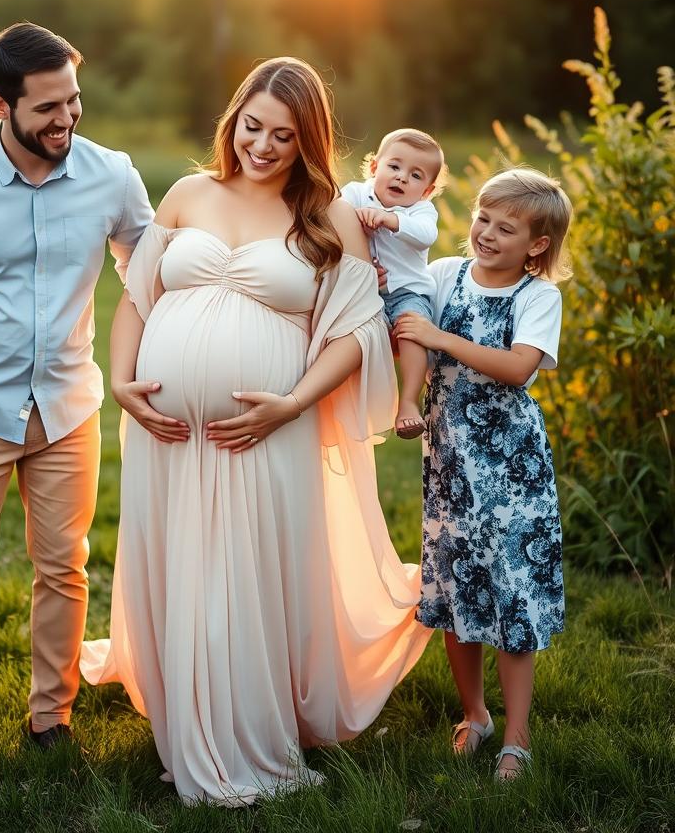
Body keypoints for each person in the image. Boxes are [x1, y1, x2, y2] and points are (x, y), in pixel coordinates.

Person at [80, 57, 432, 806]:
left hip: (268, 430)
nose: (263, 146)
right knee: (183, 568)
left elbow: (354, 334)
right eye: (252, 126)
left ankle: (248, 735)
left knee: (250, 576)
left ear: (308, 139)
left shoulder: (330, 215)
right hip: (168, 433)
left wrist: (293, 402)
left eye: (283, 134)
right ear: (232, 118)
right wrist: (121, 383)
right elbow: (136, 302)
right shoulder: (186, 192)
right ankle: (187, 726)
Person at [0, 22, 153, 753]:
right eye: (47, 108)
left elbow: (145, 261)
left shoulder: (113, 174)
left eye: (73, 101)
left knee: (64, 568)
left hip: (70, 404)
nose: (66, 119)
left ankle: (52, 718)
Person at [394, 167, 572, 781]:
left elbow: (518, 368)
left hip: (511, 472)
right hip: (449, 467)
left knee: (513, 597)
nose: (487, 234)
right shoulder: (445, 275)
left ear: (537, 245)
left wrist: (439, 334)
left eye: (506, 227)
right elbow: (407, 325)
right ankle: (477, 715)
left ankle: (517, 739)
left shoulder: (535, 298)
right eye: (483, 219)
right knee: (457, 592)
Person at [341, 128, 445, 439]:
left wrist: (390, 219)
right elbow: (333, 216)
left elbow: (427, 234)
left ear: (426, 190)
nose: (401, 178)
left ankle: (409, 401)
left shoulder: (421, 211)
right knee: (348, 337)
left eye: (415, 175)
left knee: (412, 328)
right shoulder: (356, 193)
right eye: (394, 167)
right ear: (375, 168)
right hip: (363, 291)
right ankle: (352, 404)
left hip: (406, 292)